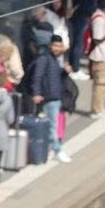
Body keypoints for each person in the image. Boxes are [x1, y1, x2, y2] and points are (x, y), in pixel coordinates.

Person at [27, 34, 73, 163]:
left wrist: (64, 72)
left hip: (55, 96)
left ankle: (48, 151)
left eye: (59, 46)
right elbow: (37, 77)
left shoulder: (54, 59)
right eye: (55, 45)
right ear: (50, 46)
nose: (57, 48)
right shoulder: (44, 59)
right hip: (48, 98)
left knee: (52, 125)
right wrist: (36, 93)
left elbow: (56, 77)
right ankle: (58, 151)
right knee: (52, 126)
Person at [86, 1, 105, 116]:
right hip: (100, 57)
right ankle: (96, 110)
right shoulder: (99, 19)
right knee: (100, 84)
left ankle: (101, 107)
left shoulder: (102, 17)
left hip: (104, 56)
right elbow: (97, 38)